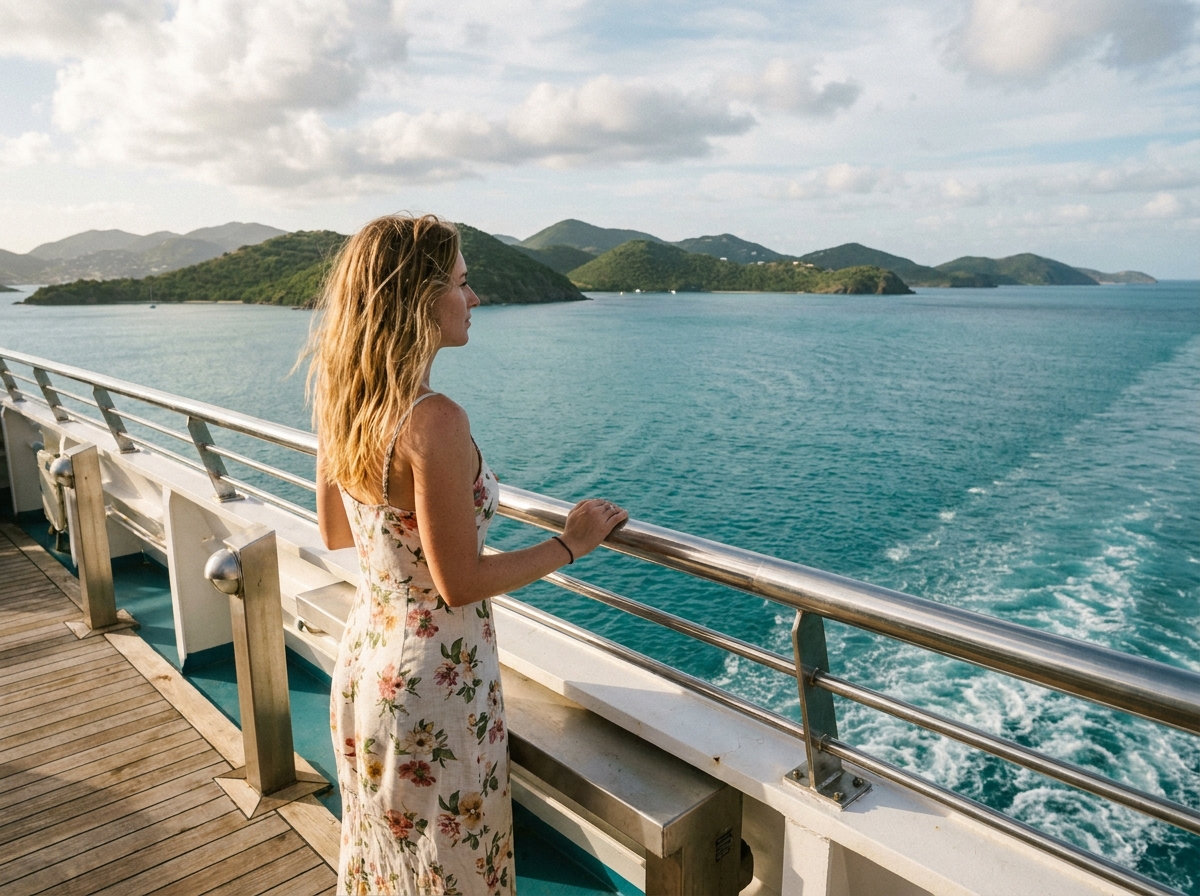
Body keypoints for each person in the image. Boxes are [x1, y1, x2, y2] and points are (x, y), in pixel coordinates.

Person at [306, 214, 627, 896]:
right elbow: (458, 584)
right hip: (434, 686)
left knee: (387, 862)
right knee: (451, 872)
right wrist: (571, 542)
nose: (474, 297)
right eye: (462, 282)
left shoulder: (347, 400)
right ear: (417, 299)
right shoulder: (434, 419)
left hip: (367, 662)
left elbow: (338, 531)